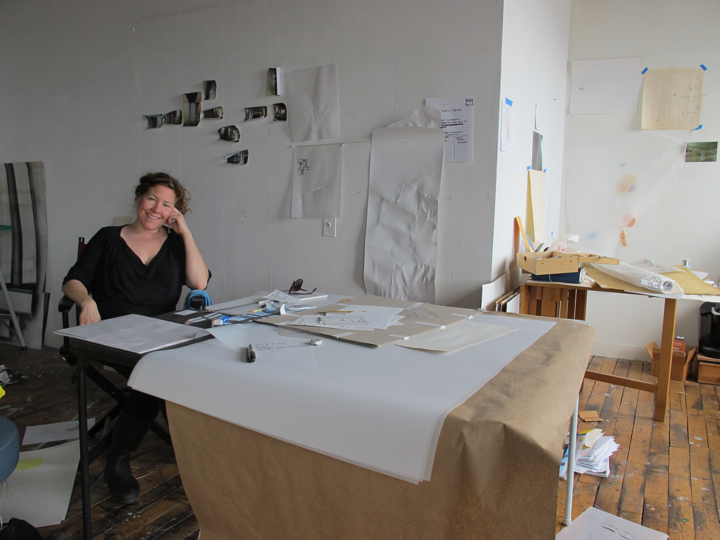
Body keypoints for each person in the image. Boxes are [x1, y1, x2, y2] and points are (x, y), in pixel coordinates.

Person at [62, 172, 210, 504]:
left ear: (174, 212)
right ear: (138, 198)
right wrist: (86, 301)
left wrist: (185, 232)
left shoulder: (176, 243)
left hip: (162, 332)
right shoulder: (108, 237)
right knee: (156, 377)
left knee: (192, 369)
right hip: (113, 332)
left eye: (167, 205)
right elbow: (73, 280)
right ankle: (118, 457)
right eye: (152, 199)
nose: (157, 209)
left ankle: (191, 448)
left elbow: (199, 283)